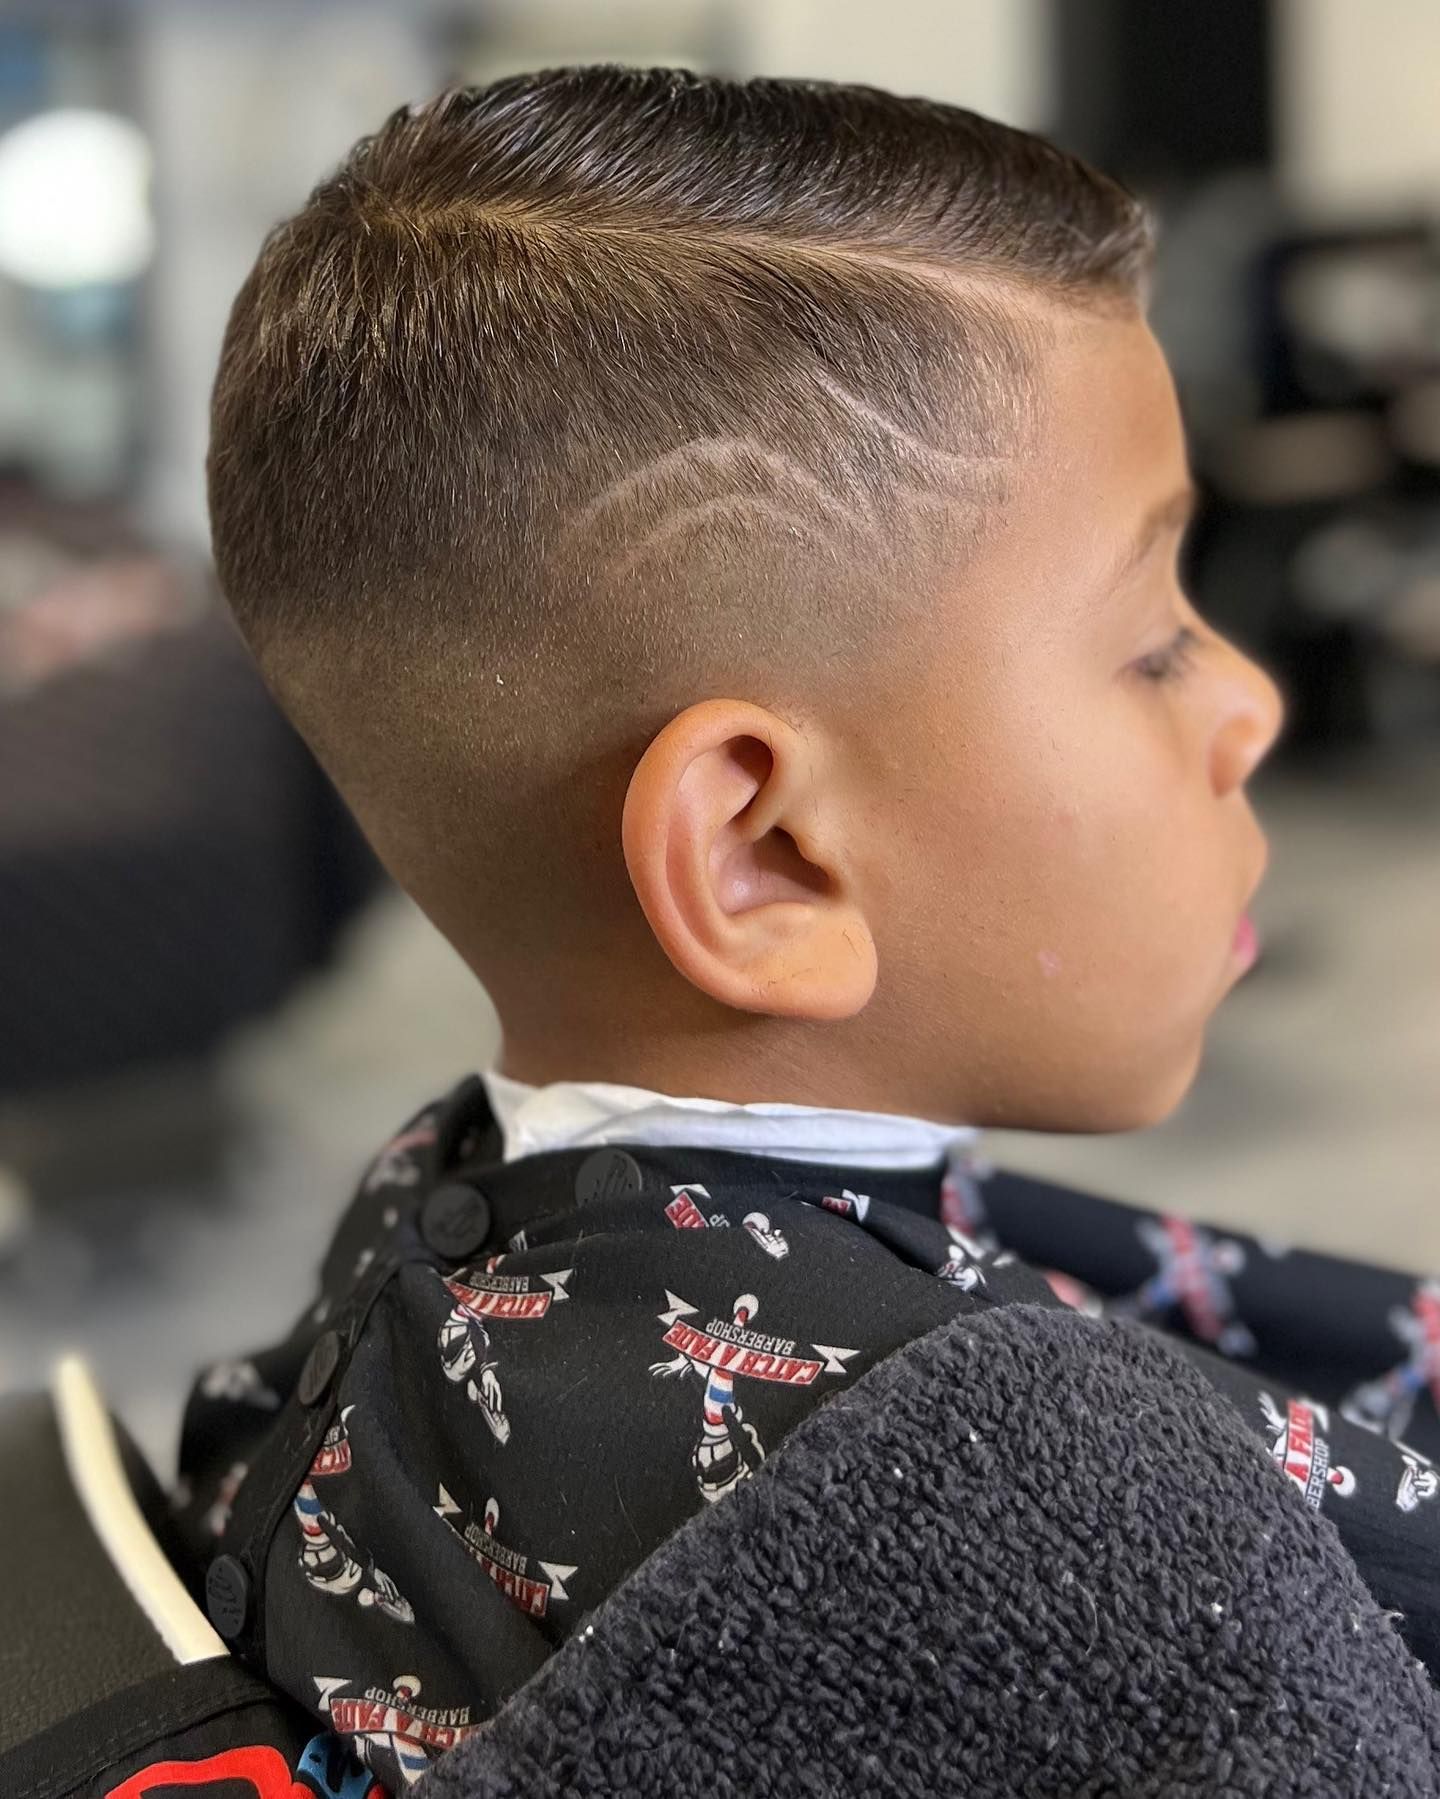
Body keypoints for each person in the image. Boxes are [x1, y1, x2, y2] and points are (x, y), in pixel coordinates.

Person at [167, 67, 1440, 1795]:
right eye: (1149, 641)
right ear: (764, 856)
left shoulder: (425, 1229)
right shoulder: (1050, 1554)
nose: (1251, 708)